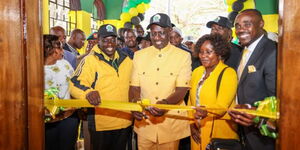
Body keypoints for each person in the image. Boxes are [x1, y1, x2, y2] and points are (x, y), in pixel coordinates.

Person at [129, 13, 191, 150]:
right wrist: (134, 105)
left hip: (170, 124)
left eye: (161, 33)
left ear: (170, 31)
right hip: (145, 124)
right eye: (153, 33)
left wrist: (165, 104)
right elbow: (134, 87)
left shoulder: (183, 56)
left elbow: (182, 89)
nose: (157, 37)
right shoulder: (139, 56)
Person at [69, 24, 133, 150]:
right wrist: (87, 93)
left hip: (125, 120)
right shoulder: (90, 60)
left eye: (112, 40)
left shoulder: (127, 60)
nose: (109, 44)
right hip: (102, 123)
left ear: (117, 41)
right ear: (98, 41)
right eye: (105, 40)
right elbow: (74, 83)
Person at [228, 9, 277, 150]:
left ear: (261, 24)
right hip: (246, 130)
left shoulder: (272, 52)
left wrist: (258, 116)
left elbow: (278, 98)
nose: (241, 29)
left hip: (264, 134)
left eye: (247, 24)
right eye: (237, 26)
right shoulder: (244, 50)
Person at [188, 34, 239, 150]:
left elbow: (222, 106)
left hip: (218, 134)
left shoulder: (228, 73)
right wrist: (191, 123)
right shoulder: (196, 72)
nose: (203, 56)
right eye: (201, 52)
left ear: (219, 53)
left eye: (208, 52)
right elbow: (190, 101)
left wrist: (206, 111)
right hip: (196, 131)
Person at [43, 34, 78, 150]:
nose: (63, 50)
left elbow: (75, 84)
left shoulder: (64, 64)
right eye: (60, 47)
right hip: (48, 121)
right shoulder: (37, 69)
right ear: (50, 50)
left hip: (69, 117)